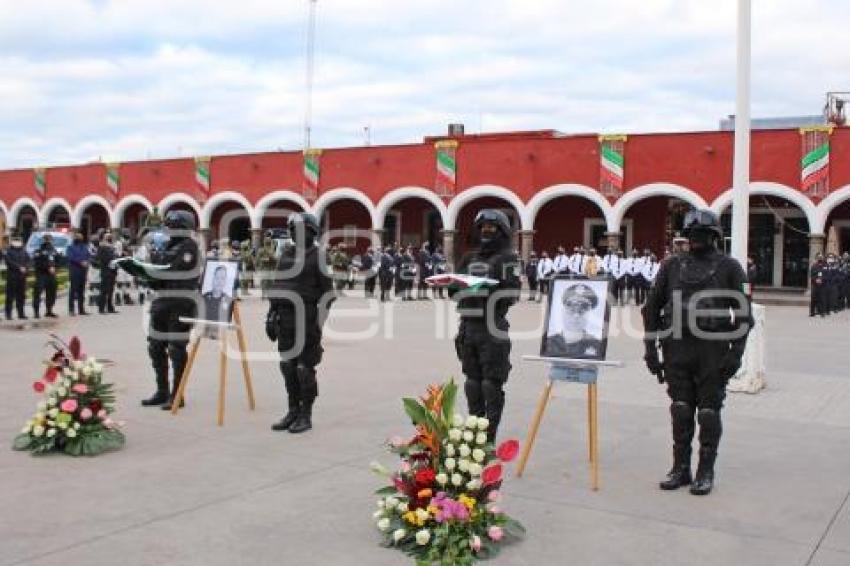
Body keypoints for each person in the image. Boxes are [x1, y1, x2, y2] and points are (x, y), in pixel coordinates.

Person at [642, 209, 752, 496]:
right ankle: (680, 468)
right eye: (691, 234)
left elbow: (744, 315)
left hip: (712, 349)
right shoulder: (671, 266)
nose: (695, 239)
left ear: (714, 236)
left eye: (702, 234)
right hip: (676, 346)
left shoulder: (731, 267)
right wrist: (649, 350)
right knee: (680, 409)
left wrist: (736, 354)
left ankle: (705, 470)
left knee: (707, 412)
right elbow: (651, 308)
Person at [453, 209, 521, 441]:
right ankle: (474, 432)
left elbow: (513, 293)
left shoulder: (508, 259)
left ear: (501, 231)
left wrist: (486, 288)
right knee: (472, 381)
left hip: (492, 326)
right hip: (467, 325)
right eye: (482, 227)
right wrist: (453, 286)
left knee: (491, 384)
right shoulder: (468, 258)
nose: (486, 231)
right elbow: (453, 290)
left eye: (491, 228)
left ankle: (488, 437)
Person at [266, 212, 335, 434]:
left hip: (306, 318)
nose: (296, 233)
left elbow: (328, 294)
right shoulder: (285, 254)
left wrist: (318, 323)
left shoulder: (318, 256)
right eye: (293, 229)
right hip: (284, 318)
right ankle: (292, 410)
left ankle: (306, 415)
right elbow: (277, 287)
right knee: (287, 366)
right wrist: (270, 315)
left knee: (304, 369)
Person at [142, 210, 201, 410]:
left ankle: (178, 394)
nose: (169, 230)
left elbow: (170, 271)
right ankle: (162, 390)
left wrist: (156, 263)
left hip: (180, 303)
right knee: (155, 346)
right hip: (162, 301)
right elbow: (156, 273)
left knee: (176, 349)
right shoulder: (168, 246)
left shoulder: (189, 247)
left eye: (173, 226)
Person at [544, 283, 604, 358]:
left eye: (582, 310)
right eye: (571, 309)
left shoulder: (597, 345)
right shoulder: (549, 342)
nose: (576, 316)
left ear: (589, 314)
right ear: (563, 312)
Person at [32, 234, 59, 319]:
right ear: (43, 240)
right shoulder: (38, 251)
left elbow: (58, 260)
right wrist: (48, 267)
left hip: (51, 275)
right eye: (47, 240)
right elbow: (37, 263)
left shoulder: (53, 250)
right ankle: (36, 312)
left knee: (52, 293)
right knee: (38, 293)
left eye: (50, 240)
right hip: (41, 275)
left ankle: (49, 310)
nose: (49, 241)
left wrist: (55, 267)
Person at [4, 235, 30, 320]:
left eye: (19, 240)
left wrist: (26, 267)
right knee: (10, 296)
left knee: (21, 296)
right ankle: (8, 314)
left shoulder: (23, 251)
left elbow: (29, 260)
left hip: (22, 277)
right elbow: (9, 262)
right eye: (16, 240)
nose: (18, 242)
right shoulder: (9, 251)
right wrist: (19, 267)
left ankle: (21, 313)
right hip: (12, 276)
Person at [66, 230, 90, 315]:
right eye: (78, 237)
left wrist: (87, 261)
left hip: (83, 271)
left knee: (81, 291)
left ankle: (81, 309)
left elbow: (88, 255)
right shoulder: (70, 247)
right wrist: (80, 262)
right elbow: (70, 257)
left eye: (81, 237)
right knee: (73, 290)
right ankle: (71, 309)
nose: (80, 239)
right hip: (75, 270)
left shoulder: (84, 246)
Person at [96, 233, 118, 314]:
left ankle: (110, 307)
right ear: (104, 238)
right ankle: (101, 308)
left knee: (111, 291)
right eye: (108, 237)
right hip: (106, 271)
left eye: (111, 237)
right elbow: (102, 258)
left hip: (112, 271)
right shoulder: (102, 247)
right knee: (104, 291)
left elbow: (116, 256)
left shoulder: (112, 247)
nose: (110, 238)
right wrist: (112, 257)